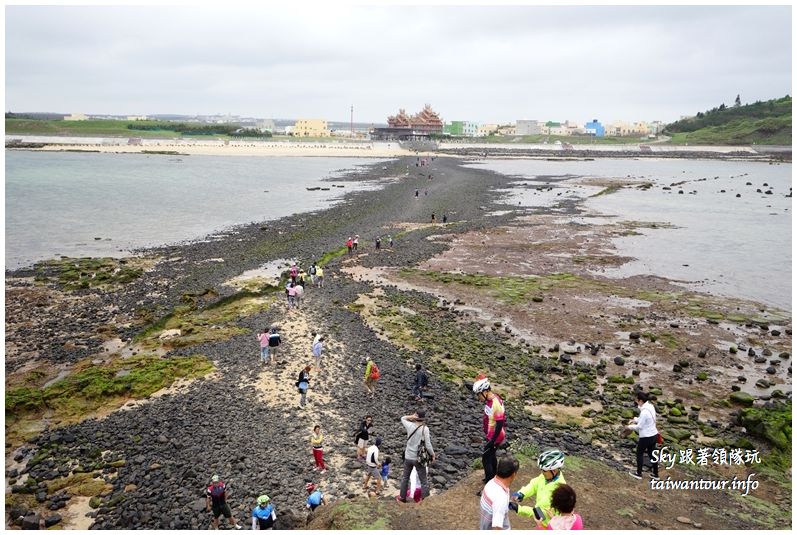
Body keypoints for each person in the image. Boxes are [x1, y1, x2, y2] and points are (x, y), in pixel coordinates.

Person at [512, 449, 567, 528]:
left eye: (544, 470)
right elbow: (534, 485)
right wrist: (522, 493)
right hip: (541, 523)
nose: (542, 472)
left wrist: (519, 509)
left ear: (554, 471)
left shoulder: (559, 489)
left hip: (550, 526)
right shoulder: (546, 477)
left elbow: (541, 513)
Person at [473, 375, 507, 484]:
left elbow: (500, 423)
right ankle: (493, 477)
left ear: (485, 391)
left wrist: (492, 440)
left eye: (479, 395)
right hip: (491, 434)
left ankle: (489, 483)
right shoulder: (489, 400)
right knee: (491, 456)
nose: (479, 397)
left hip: (495, 436)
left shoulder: (495, 403)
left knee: (485, 458)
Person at [396, 410, 435, 503]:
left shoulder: (409, 425)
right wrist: (433, 454)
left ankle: (402, 497)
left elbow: (402, 418)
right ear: (423, 418)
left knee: (405, 478)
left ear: (416, 417)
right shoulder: (425, 429)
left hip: (408, 456)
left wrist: (411, 416)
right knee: (423, 480)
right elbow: (428, 444)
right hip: (418, 458)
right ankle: (425, 499)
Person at [479, 454, 520, 530]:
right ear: (513, 474)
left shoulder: (491, 483)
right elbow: (497, 528)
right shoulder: (500, 498)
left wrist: (507, 503)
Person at [626, 390, 659, 480]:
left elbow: (639, 426)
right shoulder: (650, 406)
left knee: (639, 453)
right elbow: (643, 419)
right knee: (652, 454)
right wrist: (635, 419)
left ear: (641, 401)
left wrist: (629, 427)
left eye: (637, 400)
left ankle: (638, 473)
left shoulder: (644, 411)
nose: (636, 402)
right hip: (654, 435)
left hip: (646, 437)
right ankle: (656, 474)